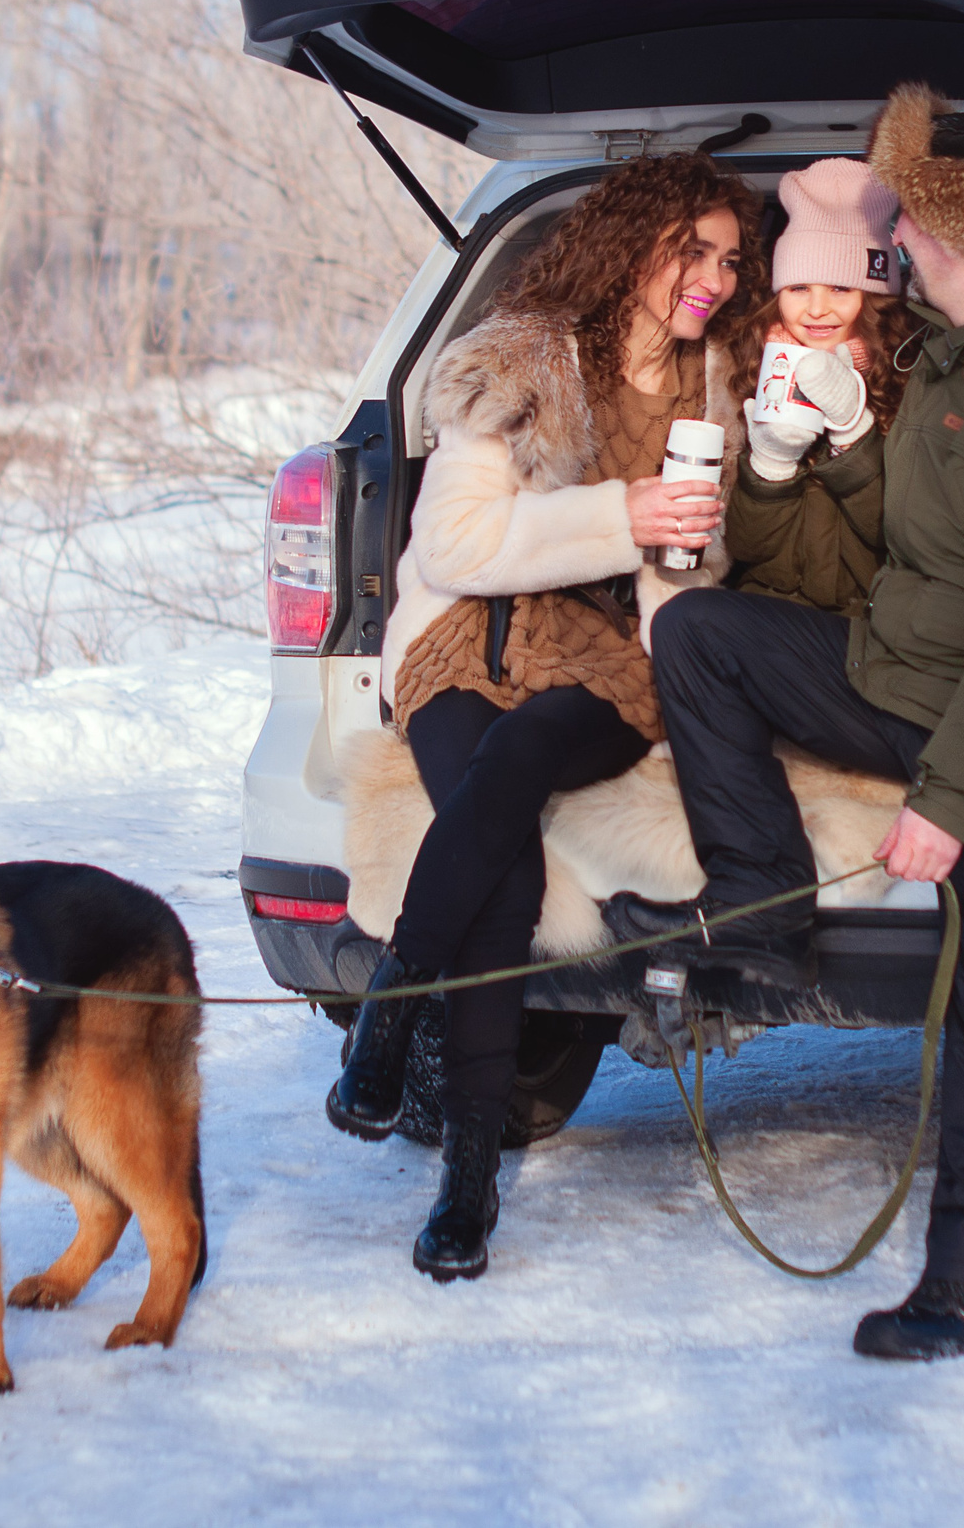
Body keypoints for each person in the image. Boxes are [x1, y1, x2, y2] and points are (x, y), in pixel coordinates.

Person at [606, 84, 964, 1360]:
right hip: (906, 675)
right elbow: (889, 563)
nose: (893, 245)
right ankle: (760, 915)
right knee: (701, 635)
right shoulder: (955, 359)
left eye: (908, 222)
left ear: (961, 238)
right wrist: (790, 458)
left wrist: (946, 802)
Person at [327, 153, 761, 1283]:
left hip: (608, 662)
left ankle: (392, 1013)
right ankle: (466, 1177)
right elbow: (456, 548)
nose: (713, 277)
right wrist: (623, 510)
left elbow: (692, 557)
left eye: (727, 257)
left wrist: (681, 558)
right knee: (505, 864)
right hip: (464, 639)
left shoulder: (713, 383)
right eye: (691, 251)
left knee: (518, 761)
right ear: (628, 244)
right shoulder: (522, 360)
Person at [724, 158, 918, 615]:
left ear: (873, 297)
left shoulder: (911, 376)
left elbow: (901, 539)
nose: (815, 310)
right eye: (797, 288)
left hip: (871, 624)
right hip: (769, 615)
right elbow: (745, 547)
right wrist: (772, 463)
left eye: (838, 288)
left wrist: (853, 431)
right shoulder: (747, 370)